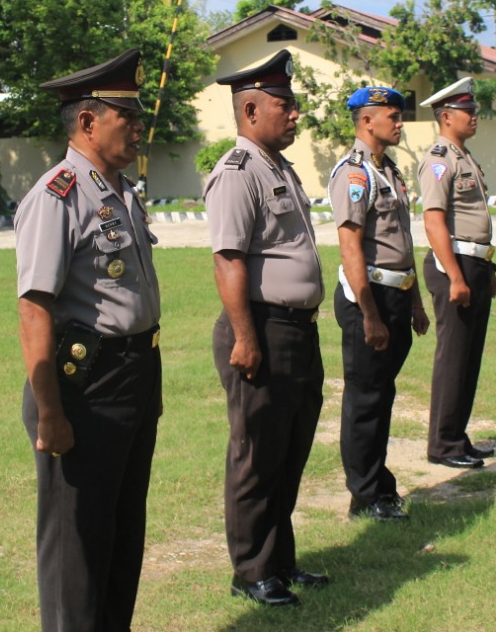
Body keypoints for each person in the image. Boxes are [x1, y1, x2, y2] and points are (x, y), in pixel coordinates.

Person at [14, 48, 162, 632]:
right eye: (127, 115)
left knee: (123, 537)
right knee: (76, 547)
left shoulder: (121, 191)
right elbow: (34, 311)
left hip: (131, 378)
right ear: (87, 121)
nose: (138, 126)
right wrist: (49, 411)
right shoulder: (58, 196)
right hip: (84, 388)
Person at [206, 49, 328, 607]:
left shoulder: (280, 169)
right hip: (262, 327)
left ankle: (281, 560)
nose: (296, 115)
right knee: (257, 453)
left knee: (291, 448)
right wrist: (247, 337)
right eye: (286, 104)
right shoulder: (237, 173)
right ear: (251, 109)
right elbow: (228, 261)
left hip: (297, 329)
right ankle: (251, 569)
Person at [328, 86, 428, 521]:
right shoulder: (352, 174)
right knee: (365, 399)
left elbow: (403, 243)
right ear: (367, 120)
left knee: (383, 395)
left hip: (397, 294)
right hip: (369, 297)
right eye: (393, 115)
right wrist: (370, 314)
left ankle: (379, 484)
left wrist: (417, 303)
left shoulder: (389, 170)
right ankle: (364, 495)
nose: (400, 123)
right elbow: (351, 248)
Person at [417, 77, 496, 468]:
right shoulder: (439, 159)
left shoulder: (464, 156)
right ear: (446, 116)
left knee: (469, 358)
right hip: (455, 264)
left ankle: (457, 436)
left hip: (475, 263)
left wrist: (488, 268)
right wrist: (455, 276)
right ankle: (443, 444)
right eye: (469, 112)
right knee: (454, 358)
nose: (475, 117)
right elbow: (434, 222)